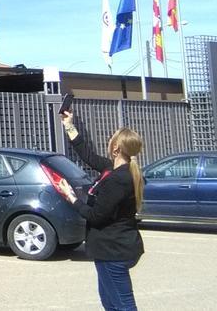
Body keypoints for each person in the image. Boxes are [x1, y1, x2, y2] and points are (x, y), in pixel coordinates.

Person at [57, 110, 145, 311]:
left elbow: (96, 216)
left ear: (115, 148)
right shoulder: (114, 169)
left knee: (123, 305)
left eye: (110, 139)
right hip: (112, 248)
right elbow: (87, 155)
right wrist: (69, 126)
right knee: (110, 303)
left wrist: (71, 197)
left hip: (113, 250)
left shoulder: (118, 180)